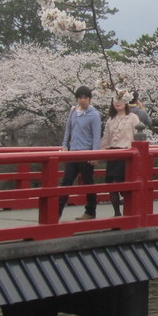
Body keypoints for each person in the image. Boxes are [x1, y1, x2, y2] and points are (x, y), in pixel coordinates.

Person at [58, 86, 102, 220]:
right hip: (73, 152)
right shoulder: (73, 111)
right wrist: (64, 145)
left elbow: (96, 136)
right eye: (80, 98)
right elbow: (68, 130)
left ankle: (90, 211)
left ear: (89, 99)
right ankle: (56, 212)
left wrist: (94, 154)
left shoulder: (94, 115)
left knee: (88, 183)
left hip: (86, 153)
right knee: (66, 182)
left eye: (85, 98)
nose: (82, 100)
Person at [99, 97, 141, 216]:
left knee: (119, 183)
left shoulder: (133, 117)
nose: (118, 103)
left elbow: (138, 136)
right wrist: (98, 153)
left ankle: (130, 211)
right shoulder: (111, 119)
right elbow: (106, 138)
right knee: (111, 185)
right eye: (115, 100)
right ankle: (117, 213)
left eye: (121, 100)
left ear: (126, 102)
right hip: (113, 153)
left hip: (127, 154)